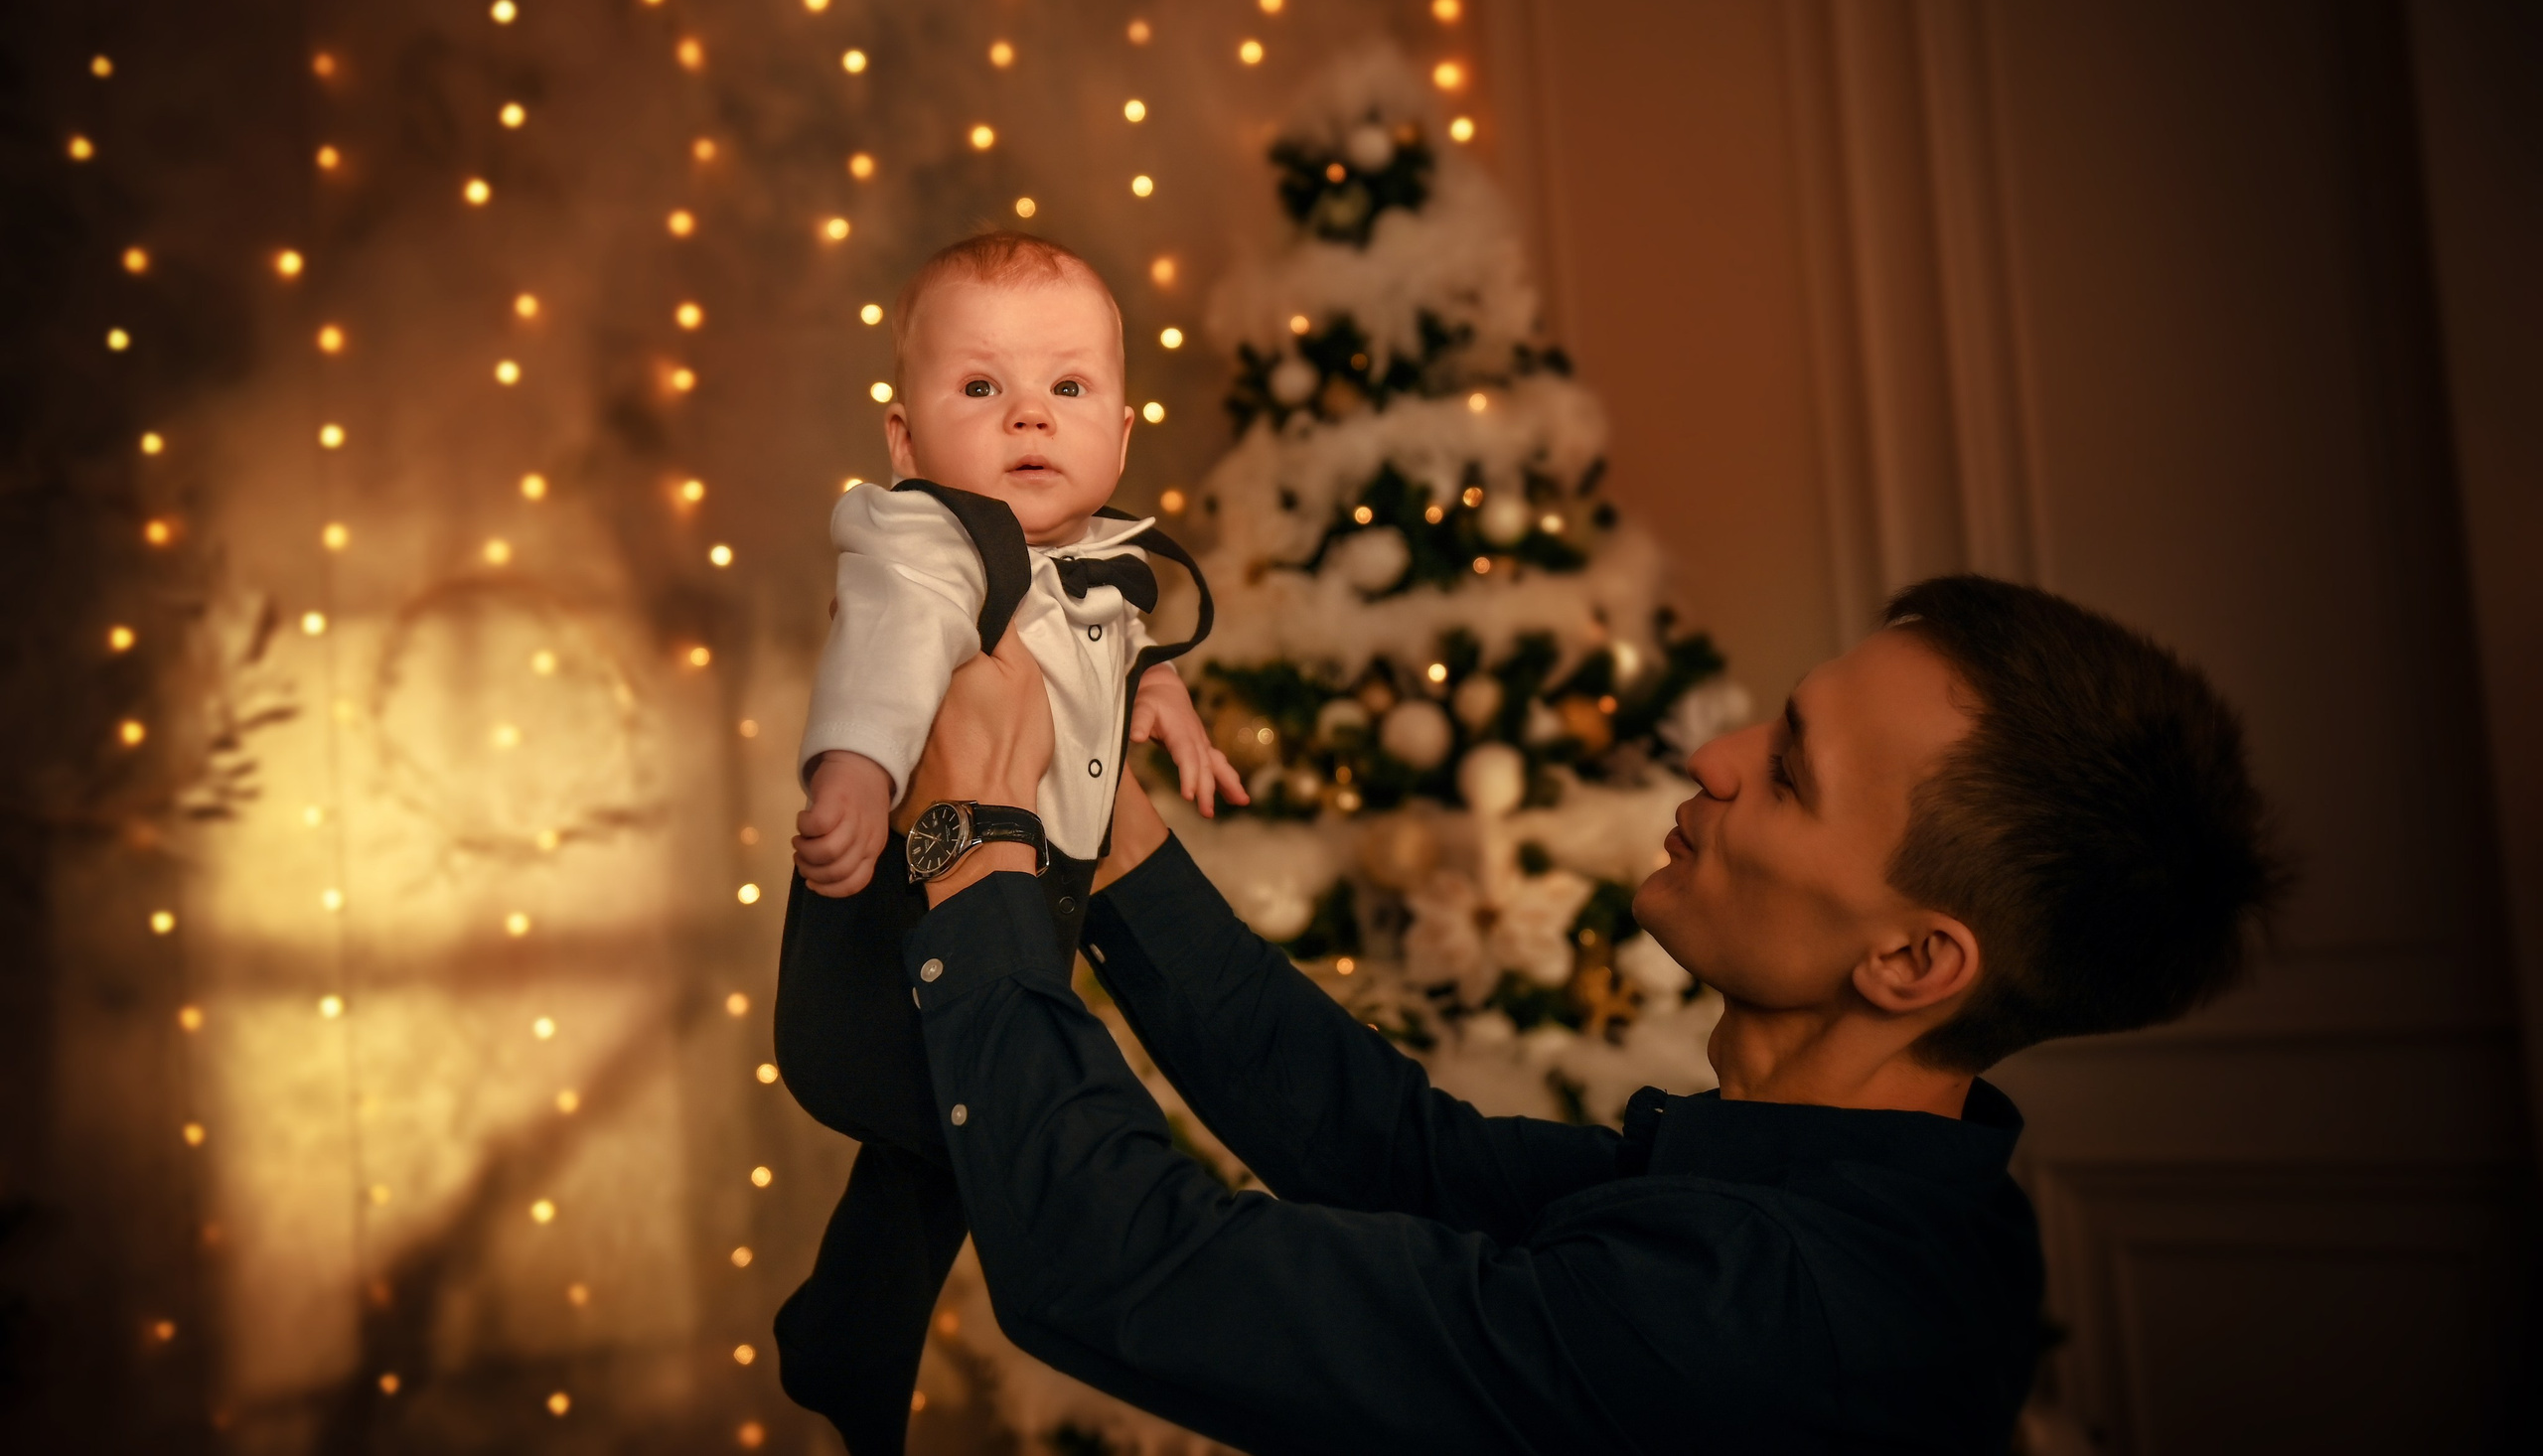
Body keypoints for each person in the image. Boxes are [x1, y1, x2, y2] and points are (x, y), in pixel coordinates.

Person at [882, 574, 2287, 1453]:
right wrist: (1109, 836)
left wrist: (972, 841)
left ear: (1916, 963)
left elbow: (1128, 1275)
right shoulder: (1872, 1178)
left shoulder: (1760, 1316)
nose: (1716, 753)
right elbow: (1403, 1158)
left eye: (1790, 775)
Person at [771, 231, 1249, 1456]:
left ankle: (848, 1334)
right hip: (925, 892)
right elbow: (887, 642)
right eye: (981, 388)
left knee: (953, 1136)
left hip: (1041, 896)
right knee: (940, 1114)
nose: (1028, 416)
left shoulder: (1105, 562)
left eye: (1067, 389)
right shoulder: (927, 540)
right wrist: (857, 770)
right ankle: (852, 1338)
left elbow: (1119, 649)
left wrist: (1171, 713)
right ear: (904, 437)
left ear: (1123, 435)